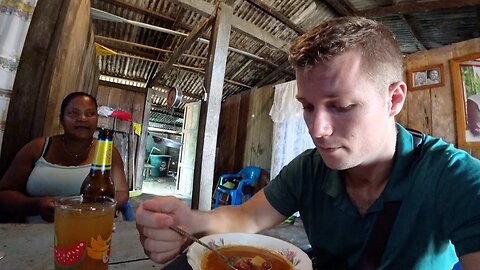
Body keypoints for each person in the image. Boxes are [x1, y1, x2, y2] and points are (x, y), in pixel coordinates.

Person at [135, 17, 480, 269]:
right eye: (307, 106)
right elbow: (246, 217)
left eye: (341, 107)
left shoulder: (455, 177)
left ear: (393, 100)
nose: (318, 129)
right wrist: (187, 221)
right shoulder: (310, 168)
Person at [0, 92, 129, 222]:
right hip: (35, 234)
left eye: (90, 113)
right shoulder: (37, 148)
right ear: (61, 118)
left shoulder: (108, 151)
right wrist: (36, 205)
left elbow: (122, 193)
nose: (82, 119)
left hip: (92, 229)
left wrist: (92, 208)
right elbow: (4, 193)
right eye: (73, 113)